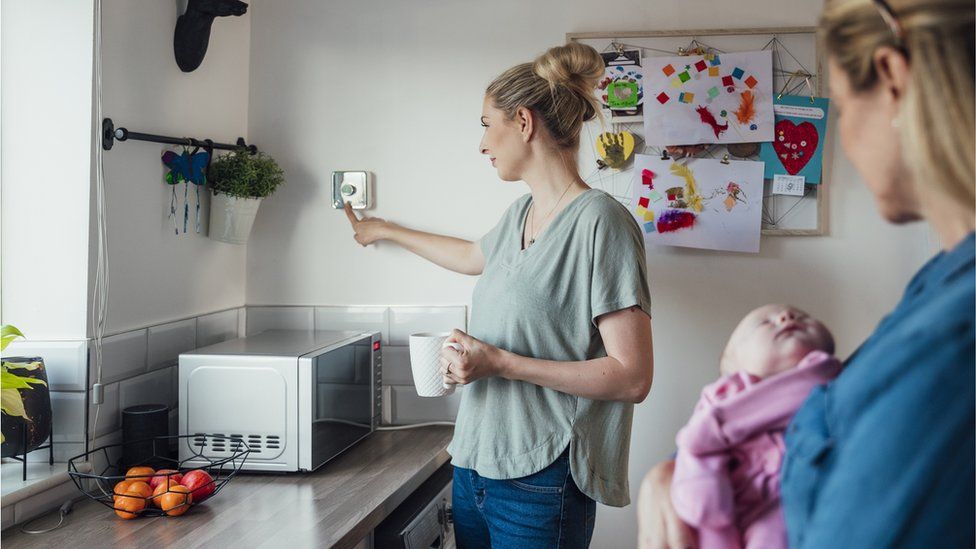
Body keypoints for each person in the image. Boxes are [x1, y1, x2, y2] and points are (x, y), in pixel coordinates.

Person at [638, 0, 975, 547]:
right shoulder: (941, 278)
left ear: (893, 79)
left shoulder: (955, 340)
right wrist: (672, 472)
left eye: (839, 107)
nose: (844, 139)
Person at [344, 42, 653, 548]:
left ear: (524, 123)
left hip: (542, 477)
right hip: (473, 464)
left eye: (487, 124)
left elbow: (632, 376)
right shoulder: (520, 215)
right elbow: (471, 255)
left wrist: (501, 363)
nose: (482, 143)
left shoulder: (602, 223)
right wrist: (385, 230)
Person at [671, 305, 841, 549]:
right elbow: (696, 449)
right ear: (736, 364)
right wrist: (702, 493)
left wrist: (718, 427)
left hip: (778, 499)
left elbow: (702, 436)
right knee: (710, 530)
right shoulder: (719, 395)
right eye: (763, 323)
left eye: (803, 316)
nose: (786, 317)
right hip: (730, 497)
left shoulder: (822, 371)